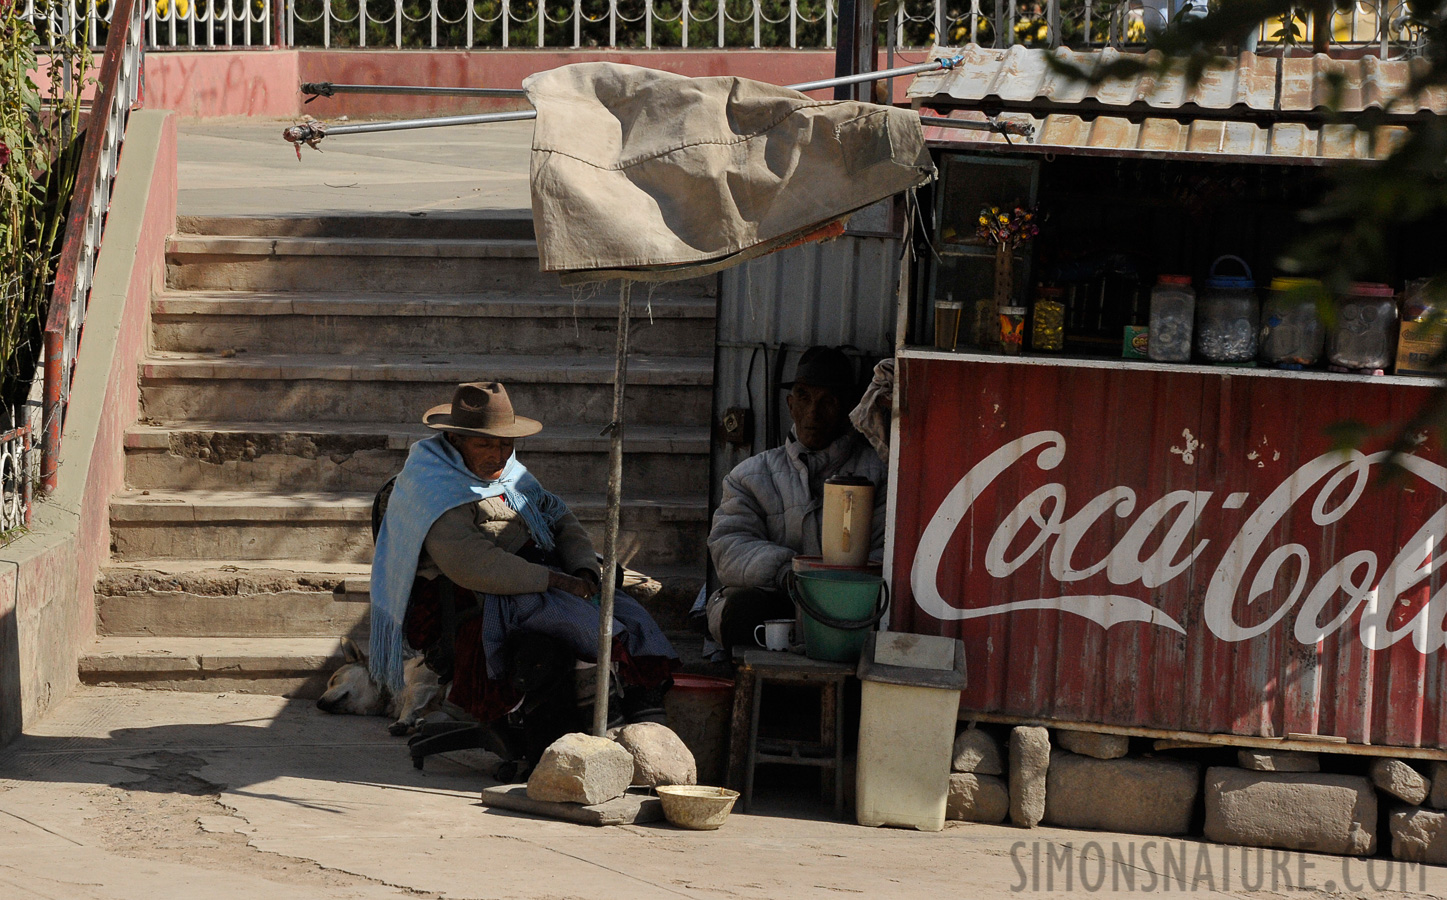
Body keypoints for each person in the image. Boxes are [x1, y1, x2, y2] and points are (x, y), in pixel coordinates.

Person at [370, 381, 677, 725]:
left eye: (506, 444)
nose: (498, 455)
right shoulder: (432, 486)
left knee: (632, 617)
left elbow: (562, 521)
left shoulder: (513, 476)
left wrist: (584, 569)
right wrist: (556, 581)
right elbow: (470, 561)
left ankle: (646, 722)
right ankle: (594, 723)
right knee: (596, 630)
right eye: (484, 444)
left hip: (549, 575)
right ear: (455, 441)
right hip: (495, 590)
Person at [706, 347, 888, 650]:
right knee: (741, 610)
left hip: (851, 605)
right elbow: (729, 548)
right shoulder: (749, 475)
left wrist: (837, 584)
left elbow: (892, 552)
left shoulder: (879, 472)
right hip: (779, 598)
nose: (813, 413)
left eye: (828, 401)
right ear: (791, 405)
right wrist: (786, 573)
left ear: (848, 408)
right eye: (804, 398)